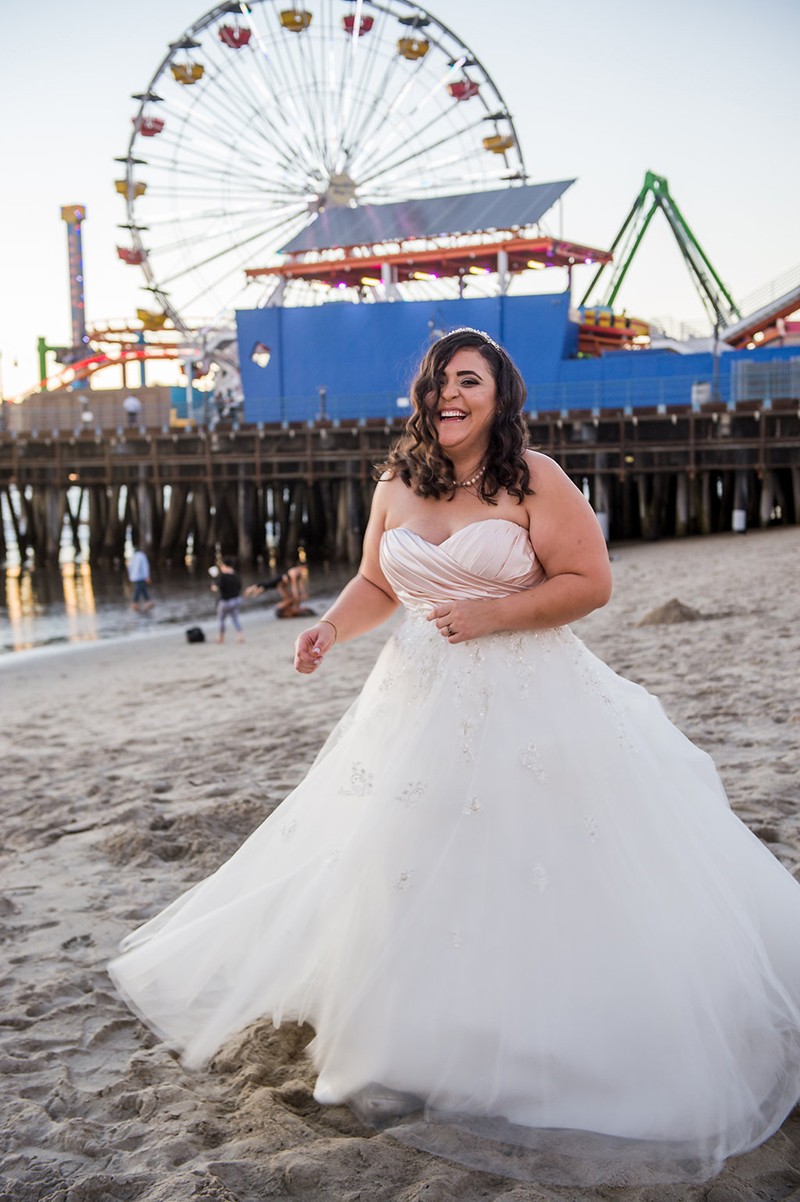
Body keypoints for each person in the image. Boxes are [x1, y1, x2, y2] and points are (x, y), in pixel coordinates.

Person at [110, 329, 800, 1186]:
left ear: (499, 395)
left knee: (531, 859)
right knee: (408, 860)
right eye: (439, 380)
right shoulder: (397, 482)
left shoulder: (534, 478)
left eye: (468, 380)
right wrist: (329, 627)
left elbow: (590, 582)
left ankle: (547, 1041)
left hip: (530, 696)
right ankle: (418, 1044)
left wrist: (493, 615)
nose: (449, 393)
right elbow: (377, 583)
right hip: (413, 702)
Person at [212, 556, 244, 643]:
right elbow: (239, 587)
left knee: (221, 619)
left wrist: (214, 586)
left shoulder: (223, 577)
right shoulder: (236, 575)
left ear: (224, 565)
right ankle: (240, 635)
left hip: (226, 601)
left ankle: (221, 637)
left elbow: (216, 587)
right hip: (236, 600)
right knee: (235, 618)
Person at [127, 544, 152, 612]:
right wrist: (147, 576)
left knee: (142, 589)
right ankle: (135, 603)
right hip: (140, 577)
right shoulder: (142, 556)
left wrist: (130, 576)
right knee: (138, 590)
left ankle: (148, 601)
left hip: (134, 577)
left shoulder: (133, 557)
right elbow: (145, 567)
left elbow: (130, 567)